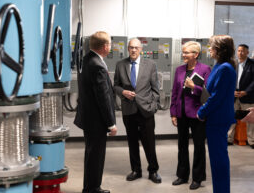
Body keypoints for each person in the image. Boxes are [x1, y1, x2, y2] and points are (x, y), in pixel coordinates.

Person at [74, 31, 118, 193]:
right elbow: (103, 97)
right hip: (96, 121)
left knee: (91, 154)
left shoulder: (86, 60)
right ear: (105, 46)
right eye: (110, 45)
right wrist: (111, 123)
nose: (110, 47)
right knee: (96, 156)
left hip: (88, 118)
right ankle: (93, 188)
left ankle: (90, 186)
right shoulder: (98, 65)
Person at [114, 38, 161, 184]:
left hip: (146, 110)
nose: (133, 50)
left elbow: (155, 88)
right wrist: (123, 92)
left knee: (149, 143)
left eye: (136, 48)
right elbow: (115, 85)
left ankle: (153, 170)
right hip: (129, 110)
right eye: (131, 47)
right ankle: (136, 170)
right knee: (132, 142)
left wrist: (153, 106)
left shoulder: (150, 64)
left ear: (141, 49)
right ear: (128, 49)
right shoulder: (120, 64)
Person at [197, 35, 236, 193]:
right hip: (216, 117)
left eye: (211, 47)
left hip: (218, 119)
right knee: (216, 158)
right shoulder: (220, 65)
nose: (209, 49)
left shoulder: (225, 68)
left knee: (218, 159)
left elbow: (217, 97)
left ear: (219, 50)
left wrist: (201, 111)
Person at [170, 41, 211, 190]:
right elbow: (175, 92)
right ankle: (182, 175)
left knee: (199, 146)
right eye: (183, 52)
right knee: (182, 146)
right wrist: (173, 113)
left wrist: (194, 87)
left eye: (187, 52)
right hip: (181, 113)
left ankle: (198, 178)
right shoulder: (179, 70)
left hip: (198, 114)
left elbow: (208, 93)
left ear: (196, 54)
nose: (184, 55)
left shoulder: (205, 69)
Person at [227, 44, 254, 149]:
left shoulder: (252, 64)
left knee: (250, 120)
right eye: (238, 51)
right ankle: (229, 139)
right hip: (234, 95)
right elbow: (229, 80)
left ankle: (252, 141)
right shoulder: (233, 64)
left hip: (247, 96)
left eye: (243, 51)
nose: (240, 53)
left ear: (247, 52)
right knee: (231, 117)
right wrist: (232, 91)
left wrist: (246, 92)